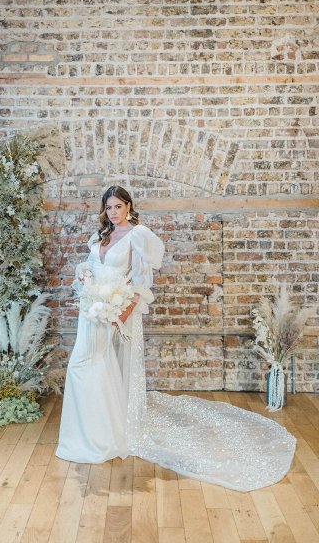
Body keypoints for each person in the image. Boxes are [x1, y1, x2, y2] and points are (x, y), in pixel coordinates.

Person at [56, 185, 296, 491]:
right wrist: (83, 274)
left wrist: (121, 316)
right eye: (109, 207)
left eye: (118, 206)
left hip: (114, 313)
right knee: (85, 366)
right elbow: (91, 265)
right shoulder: (100, 236)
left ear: (129, 206)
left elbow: (142, 283)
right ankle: (86, 431)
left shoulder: (138, 235)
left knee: (102, 366)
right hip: (90, 310)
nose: (113, 212)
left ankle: (102, 437)